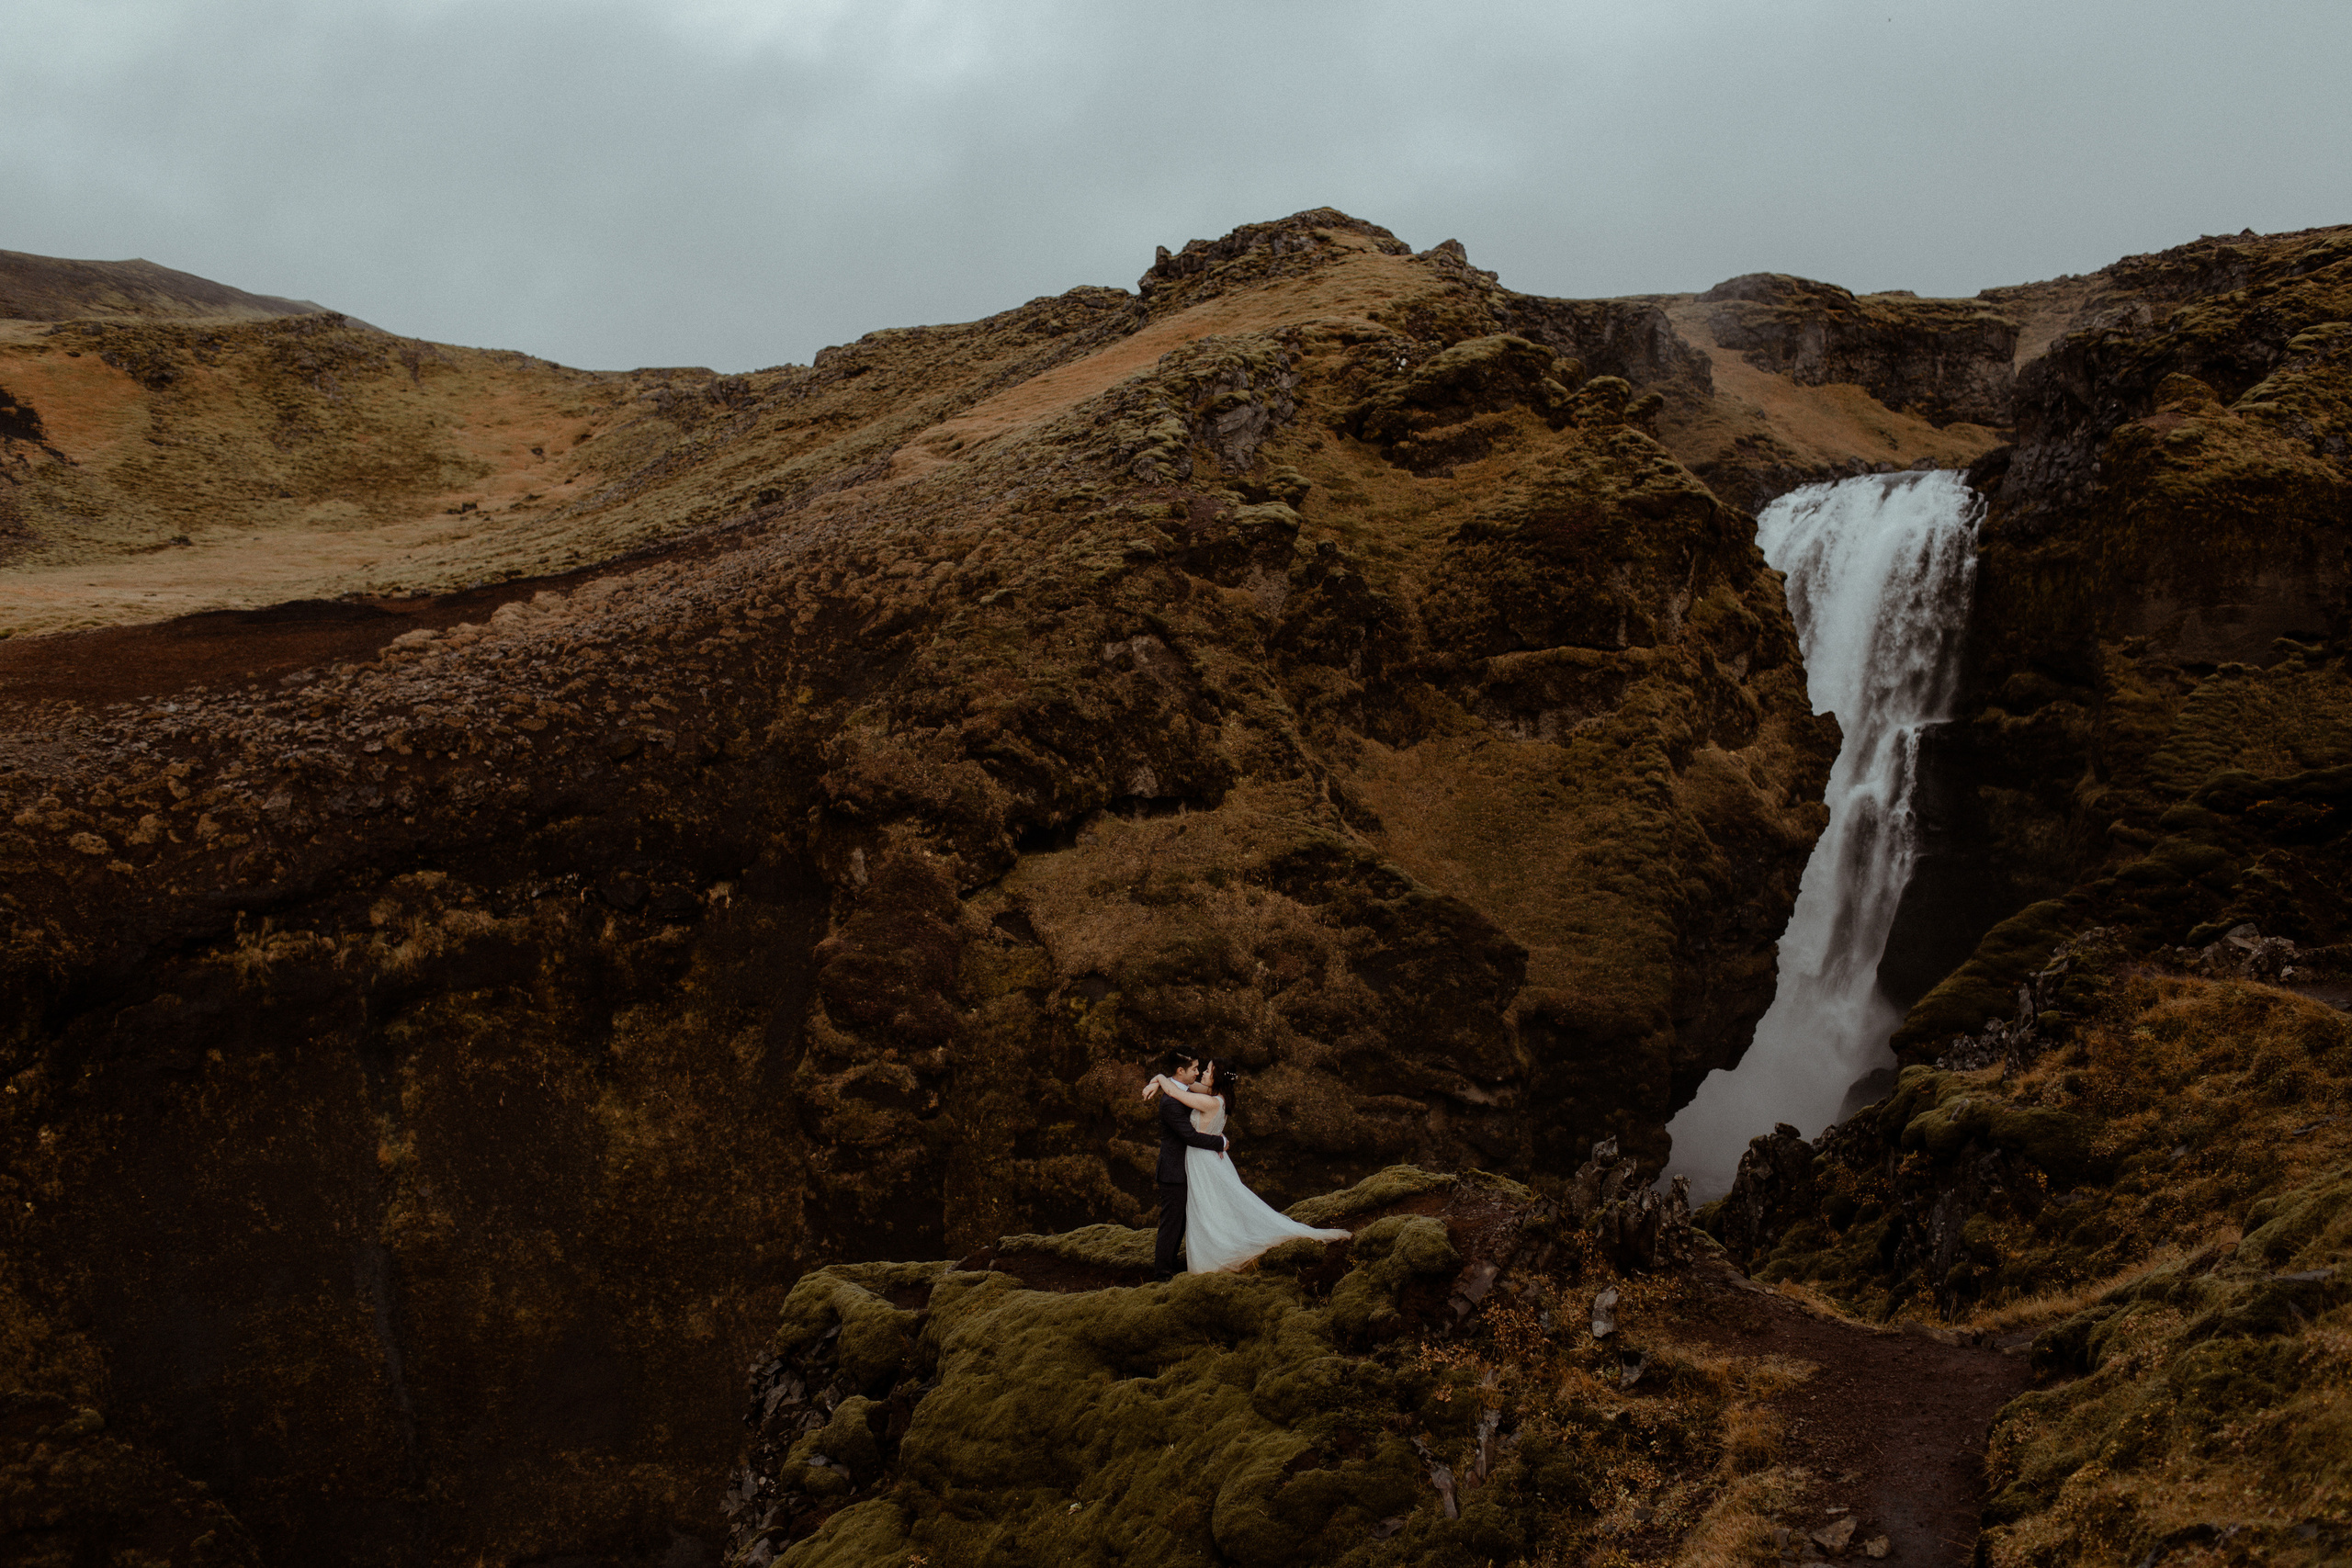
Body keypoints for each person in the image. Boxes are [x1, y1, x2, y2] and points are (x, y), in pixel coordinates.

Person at [1143, 1057, 1350, 1271]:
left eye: (1208, 1070)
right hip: (1209, 1159)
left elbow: (1176, 1092)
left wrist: (1158, 1077)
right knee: (1212, 1207)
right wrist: (1158, 1082)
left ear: (1217, 1078)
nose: (1202, 1073)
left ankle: (1215, 1252)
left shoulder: (1210, 1101)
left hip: (1202, 1161)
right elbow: (1183, 1084)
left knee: (1208, 1208)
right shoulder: (1216, 1096)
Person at [1144, 1051, 1231, 1282]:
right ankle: (1162, 1274)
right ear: (1180, 1071)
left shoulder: (1188, 1091)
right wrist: (1219, 1142)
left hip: (1190, 1169)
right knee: (1172, 1223)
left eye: (1201, 1068)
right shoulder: (1170, 1102)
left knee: (1182, 1222)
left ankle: (1171, 1264)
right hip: (1173, 1171)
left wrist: (1157, 1079)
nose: (1198, 1072)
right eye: (1194, 1068)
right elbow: (1189, 1136)